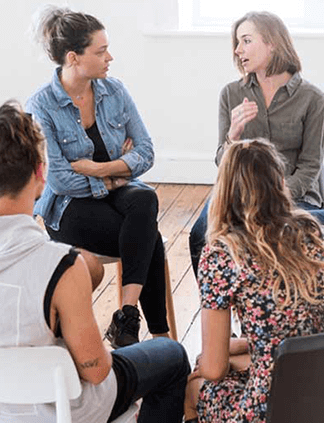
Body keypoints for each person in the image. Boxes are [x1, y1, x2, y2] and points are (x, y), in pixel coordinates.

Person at [0, 100, 190, 423]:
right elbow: (98, 371)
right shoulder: (59, 266)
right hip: (64, 410)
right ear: (40, 174)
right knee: (172, 356)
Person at [25, 5, 168, 348]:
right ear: (73, 57)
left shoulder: (113, 91)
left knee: (145, 198)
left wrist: (99, 170)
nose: (110, 57)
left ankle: (127, 317)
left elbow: (147, 151)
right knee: (149, 238)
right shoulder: (41, 106)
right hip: (68, 209)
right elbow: (59, 181)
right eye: (101, 51)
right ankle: (158, 335)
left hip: (116, 197)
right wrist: (119, 168)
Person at [184, 138, 324, 423]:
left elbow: (213, 368)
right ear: (280, 181)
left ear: (224, 190)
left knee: (194, 387)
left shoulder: (223, 254)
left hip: (274, 407)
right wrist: (246, 347)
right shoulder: (316, 233)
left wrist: (222, 361)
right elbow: (298, 325)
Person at [189, 11, 324, 275]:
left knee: (278, 240)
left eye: (246, 40)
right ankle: (216, 311)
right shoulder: (231, 93)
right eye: (237, 42)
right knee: (200, 235)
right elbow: (223, 161)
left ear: (272, 42)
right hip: (239, 193)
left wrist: (272, 198)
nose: (238, 49)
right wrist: (233, 135)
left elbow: (310, 166)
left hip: (293, 195)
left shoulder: (312, 98)